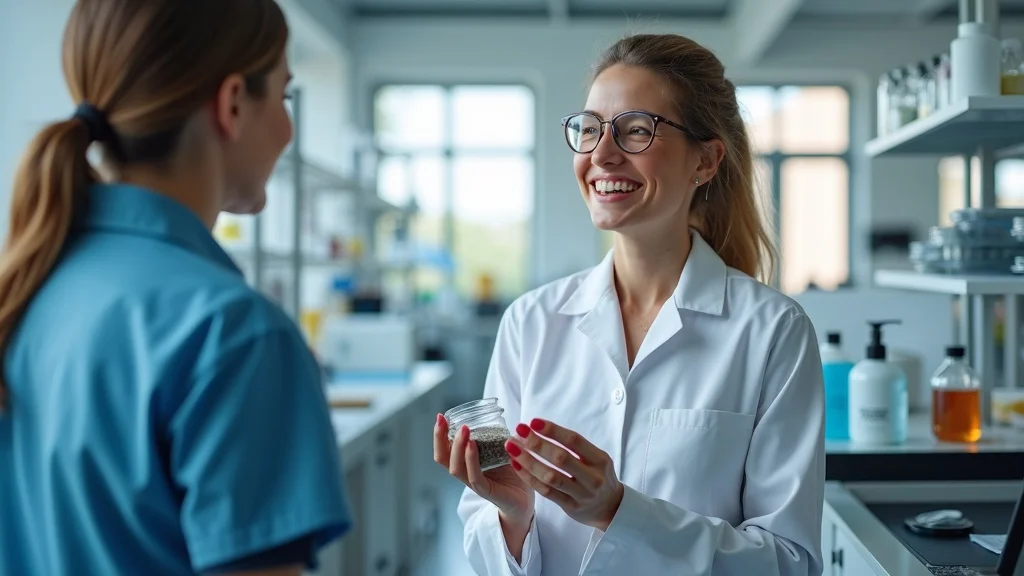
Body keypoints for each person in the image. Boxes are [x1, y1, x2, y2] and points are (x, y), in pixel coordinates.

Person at [433, 33, 825, 576]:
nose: (601, 154)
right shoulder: (532, 322)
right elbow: (481, 538)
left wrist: (621, 512)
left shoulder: (773, 332)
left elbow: (789, 562)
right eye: (590, 129)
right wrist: (513, 516)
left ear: (706, 161)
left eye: (637, 130)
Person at [0, 1, 351, 575]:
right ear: (233, 103)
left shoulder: (25, 293)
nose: (287, 128)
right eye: (284, 98)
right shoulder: (235, 335)